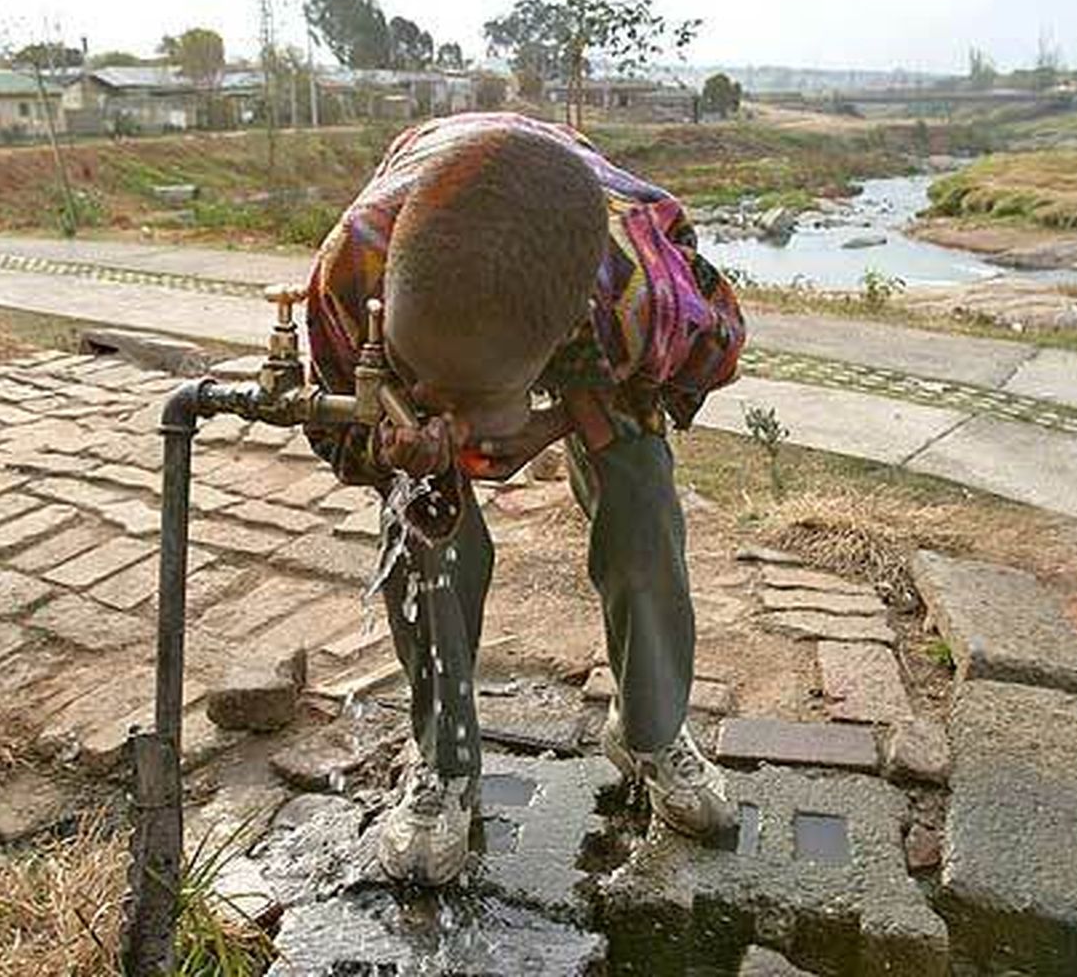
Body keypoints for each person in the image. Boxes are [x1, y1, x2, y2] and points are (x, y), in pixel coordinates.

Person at [304, 111, 746, 885]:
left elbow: (705, 364)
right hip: (443, 261)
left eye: (465, 397)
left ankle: (649, 728)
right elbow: (335, 425)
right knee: (422, 519)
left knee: (640, 496)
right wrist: (391, 445)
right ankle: (445, 760)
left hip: (579, 286)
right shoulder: (351, 277)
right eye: (419, 380)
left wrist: (553, 421)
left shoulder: (649, 298)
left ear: (564, 345)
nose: (440, 409)